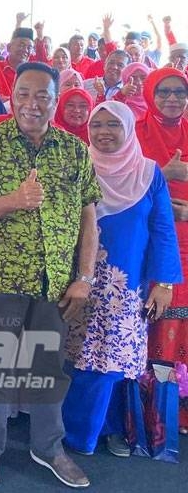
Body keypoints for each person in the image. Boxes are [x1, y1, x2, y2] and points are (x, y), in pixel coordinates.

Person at [0, 62, 101, 488]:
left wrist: (84, 278)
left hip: (55, 283)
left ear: (56, 100)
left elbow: (89, 221)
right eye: (23, 93)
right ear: (11, 96)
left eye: (42, 95)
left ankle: (48, 447)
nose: (31, 103)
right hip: (0, 279)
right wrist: (15, 199)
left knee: (49, 367)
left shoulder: (74, 150)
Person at [62, 102, 181, 456]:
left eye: (113, 125)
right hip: (78, 278)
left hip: (127, 286)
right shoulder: (77, 165)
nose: (103, 132)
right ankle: (81, 433)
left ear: (128, 127)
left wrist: (164, 283)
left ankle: (94, 431)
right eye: (96, 124)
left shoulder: (148, 172)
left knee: (114, 362)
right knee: (80, 359)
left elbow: (162, 228)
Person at [135, 67, 188, 430]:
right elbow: (119, 189)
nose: (172, 98)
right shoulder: (135, 133)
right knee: (154, 325)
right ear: (151, 93)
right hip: (152, 247)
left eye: (179, 92)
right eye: (164, 91)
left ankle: (179, 410)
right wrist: (164, 176)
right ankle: (148, 414)